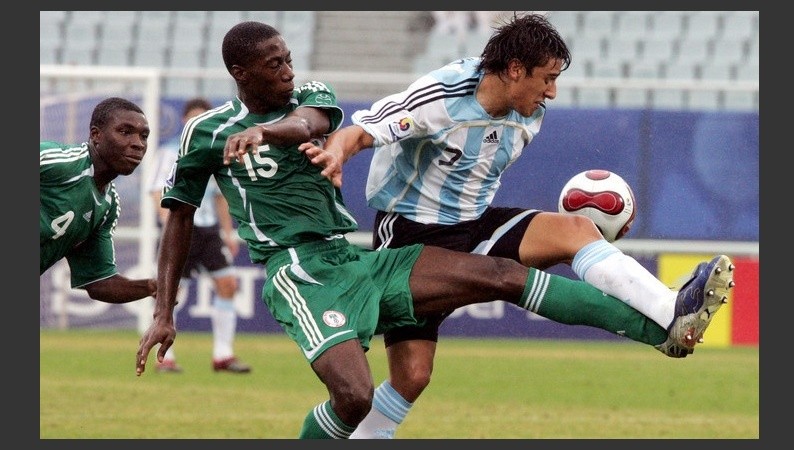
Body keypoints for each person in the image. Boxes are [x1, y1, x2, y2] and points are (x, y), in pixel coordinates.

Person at [135, 21, 733, 439]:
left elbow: (311, 119)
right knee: (390, 385)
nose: (290, 71)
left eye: (289, 59)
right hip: (366, 249)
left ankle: (666, 322)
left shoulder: (312, 96)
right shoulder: (440, 95)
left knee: (556, 242)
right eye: (275, 64)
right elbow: (354, 130)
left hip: (425, 239)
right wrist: (164, 310)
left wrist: (290, 136)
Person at [148, 97, 251, 374]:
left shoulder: (215, 152)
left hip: (207, 230)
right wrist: (167, 224)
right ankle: (164, 358)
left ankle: (223, 355)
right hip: (180, 228)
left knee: (228, 284)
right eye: (193, 118)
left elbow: (220, 197)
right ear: (184, 121)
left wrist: (228, 232)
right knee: (170, 292)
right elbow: (157, 191)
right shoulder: (169, 152)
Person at [40, 96, 157, 303]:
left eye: (144, 136)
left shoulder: (107, 207)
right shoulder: (59, 162)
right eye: (125, 132)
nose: (138, 144)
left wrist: (151, 286)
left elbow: (99, 282)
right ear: (96, 135)